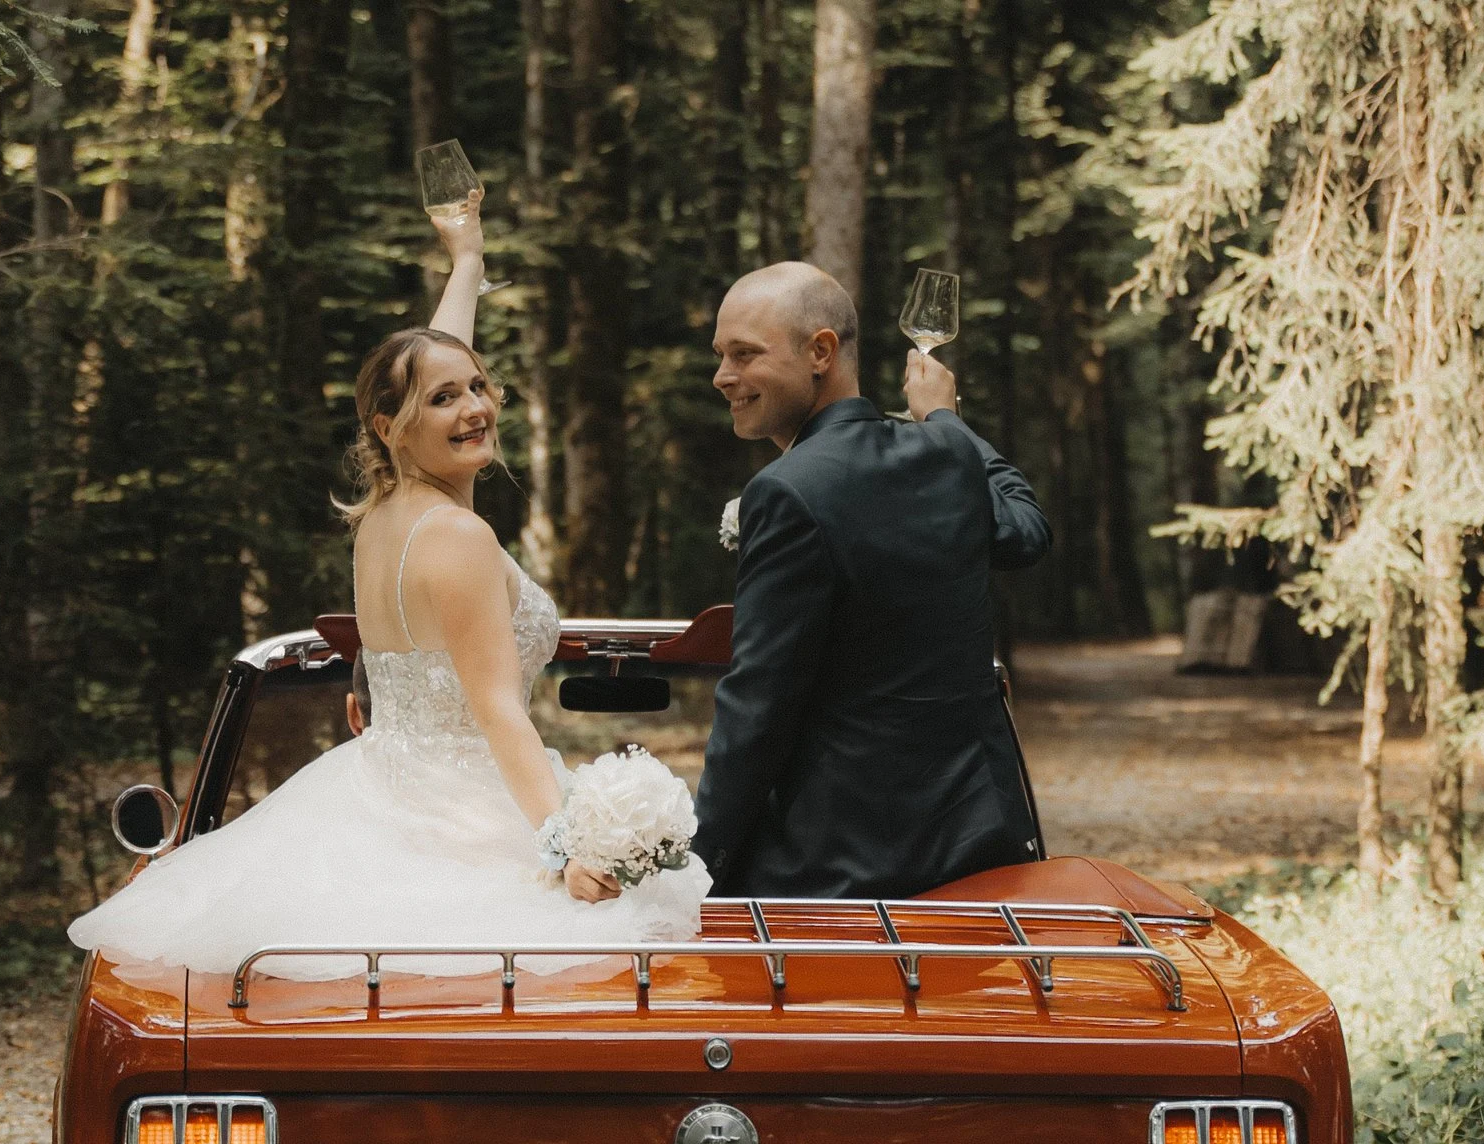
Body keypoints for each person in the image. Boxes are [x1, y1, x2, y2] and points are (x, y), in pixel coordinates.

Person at [68, 197, 709, 977]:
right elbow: (500, 711)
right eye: (446, 399)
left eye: (478, 387)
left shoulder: (383, 517)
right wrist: (568, 847)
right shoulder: (460, 538)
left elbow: (437, 364)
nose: (474, 408)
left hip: (378, 791)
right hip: (468, 810)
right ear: (387, 424)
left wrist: (467, 261)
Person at [692, 262, 1051, 899]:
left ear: (820, 352)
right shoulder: (942, 454)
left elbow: (757, 708)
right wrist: (945, 419)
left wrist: (701, 864)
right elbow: (1027, 530)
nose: (723, 376)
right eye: (721, 355)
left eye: (744, 354)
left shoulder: (784, 490)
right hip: (976, 843)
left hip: (838, 858)